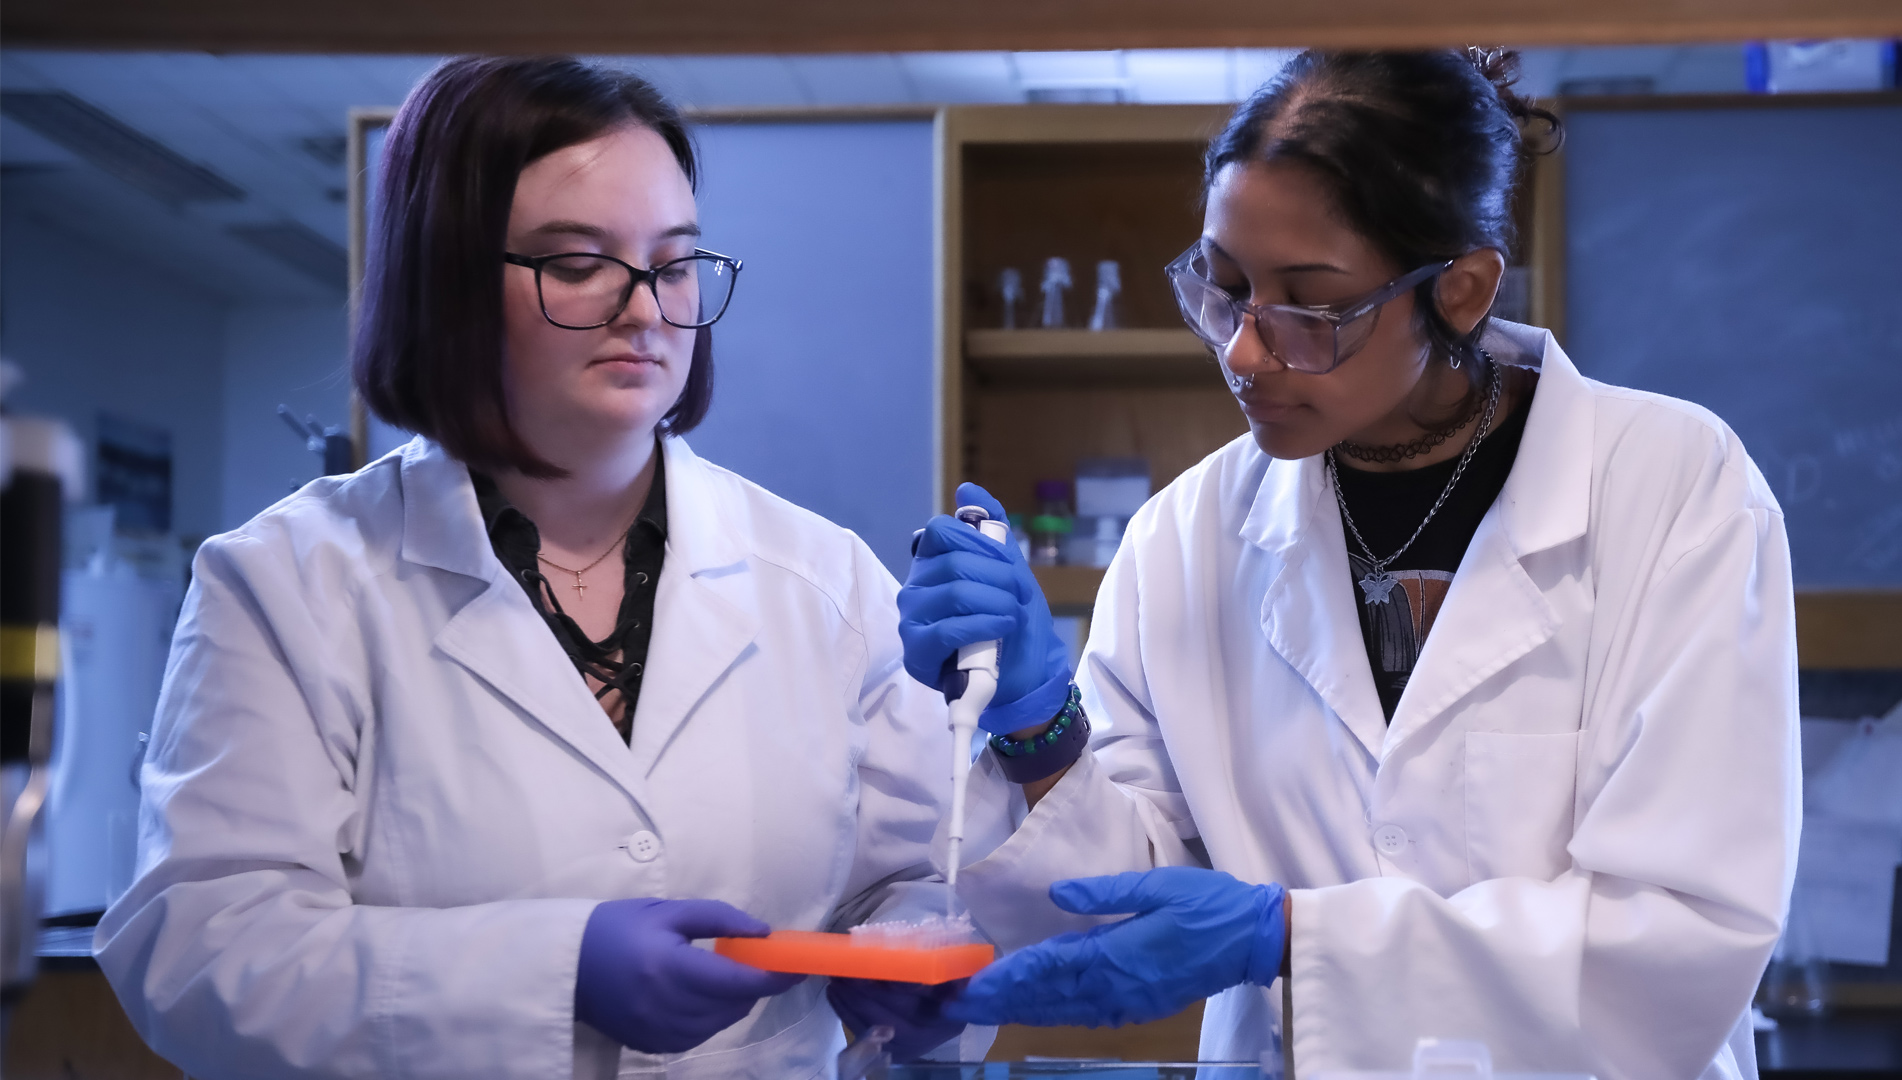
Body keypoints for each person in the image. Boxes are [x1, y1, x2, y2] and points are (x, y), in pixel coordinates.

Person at [899, 49, 1798, 1080]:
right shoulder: (1184, 536)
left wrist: (1289, 938)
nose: (1244, 349)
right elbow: (1128, 899)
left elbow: (1685, 932)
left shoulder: (1671, 489)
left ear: (1459, 291)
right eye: (1223, 288)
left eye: (1308, 307)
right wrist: (1034, 726)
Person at [95, 56, 971, 1079]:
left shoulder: (827, 581)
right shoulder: (289, 583)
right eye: (575, 264)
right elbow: (203, 956)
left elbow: (914, 880)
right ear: (450, 282)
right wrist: (557, 973)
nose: (645, 310)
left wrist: (918, 961)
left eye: (674, 263)